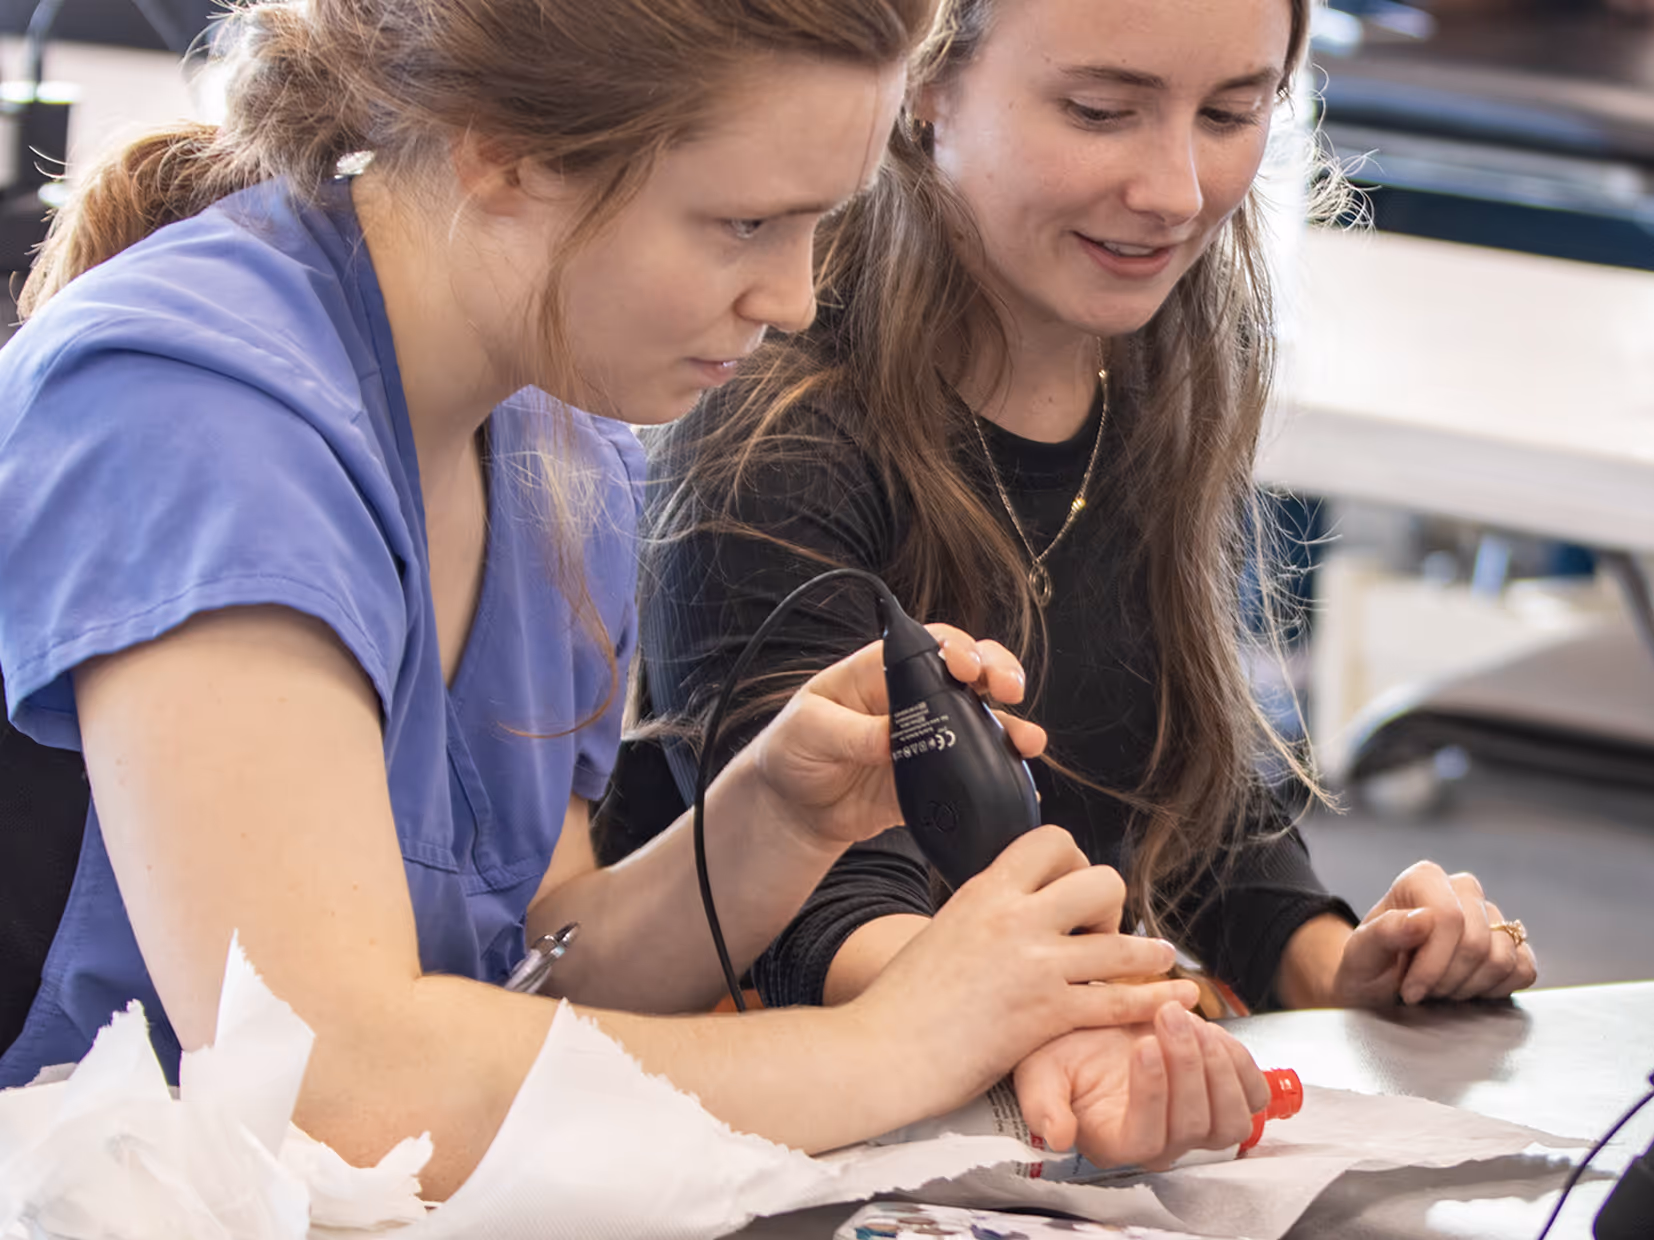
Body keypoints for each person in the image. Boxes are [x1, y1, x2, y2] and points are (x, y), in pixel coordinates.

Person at [0, 0, 1263, 1197]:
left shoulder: (555, 434)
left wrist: (765, 820)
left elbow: (533, 966)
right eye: (743, 225)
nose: (795, 297)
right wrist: (899, 1042)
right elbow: (338, 1082)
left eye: (819, 224)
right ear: (506, 160)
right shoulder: (196, 415)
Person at [610, 0, 1538, 1022]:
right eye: (1101, 112)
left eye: (1231, 114)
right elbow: (822, 916)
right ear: (923, 81)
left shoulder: (1159, 357)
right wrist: (1119, 1008)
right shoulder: (777, 433)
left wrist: (1356, 961)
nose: (1176, 191)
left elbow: (1187, 789)